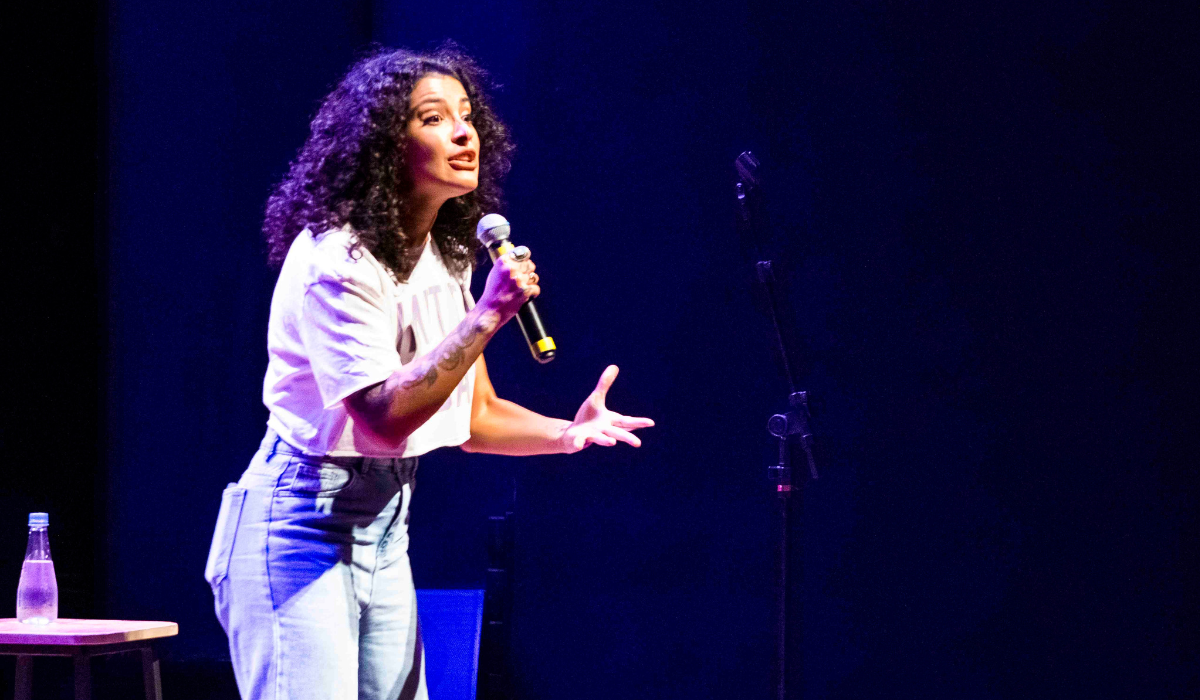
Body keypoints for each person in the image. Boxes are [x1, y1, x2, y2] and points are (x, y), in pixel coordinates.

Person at [203, 46, 653, 700]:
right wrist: (490, 315)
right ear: (387, 143)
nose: (463, 132)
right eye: (435, 119)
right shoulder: (339, 257)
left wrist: (567, 432)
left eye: (467, 116)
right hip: (302, 519)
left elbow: (474, 415)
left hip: (386, 522)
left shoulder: (447, 254)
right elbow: (383, 420)